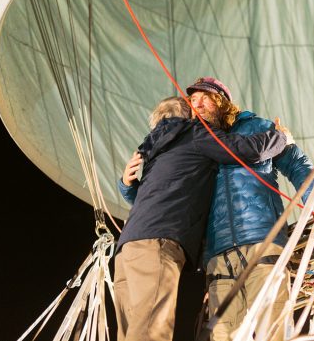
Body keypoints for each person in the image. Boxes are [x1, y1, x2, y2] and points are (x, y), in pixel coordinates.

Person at [114, 96, 288, 341]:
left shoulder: (156, 147)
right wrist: (279, 137)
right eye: (193, 103)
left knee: (131, 332)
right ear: (188, 116)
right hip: (158, 244)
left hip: (127, 249)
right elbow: (243, 150)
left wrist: (124, 186)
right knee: (151, 332)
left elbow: (156, 195)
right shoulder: (193, 133)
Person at [185, 77, 314, 341]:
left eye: (203, 97)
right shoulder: (197, 146)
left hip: (261, 241)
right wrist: (129, 189)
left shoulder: (257, 128)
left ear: (221, 100)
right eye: (192, 100)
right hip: (219, 254)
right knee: (223, 334)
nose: (196, 104)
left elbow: (298, 165)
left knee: (274, 328)